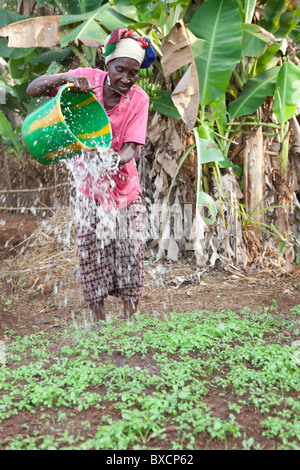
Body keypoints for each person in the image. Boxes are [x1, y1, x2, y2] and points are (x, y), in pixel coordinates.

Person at [26, 28, 156, 322]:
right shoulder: (87, 80)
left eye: (133, 73)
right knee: (91, 254)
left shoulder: (139, 99)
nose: (126, 78)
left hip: (125, 190)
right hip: (89, 188)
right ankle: (97, 320)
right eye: (120, 69)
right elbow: (33, 89)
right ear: (106, 63)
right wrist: (65, 79)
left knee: (130, 253)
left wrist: (112, 158)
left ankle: (129, 319)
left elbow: (132, 150)